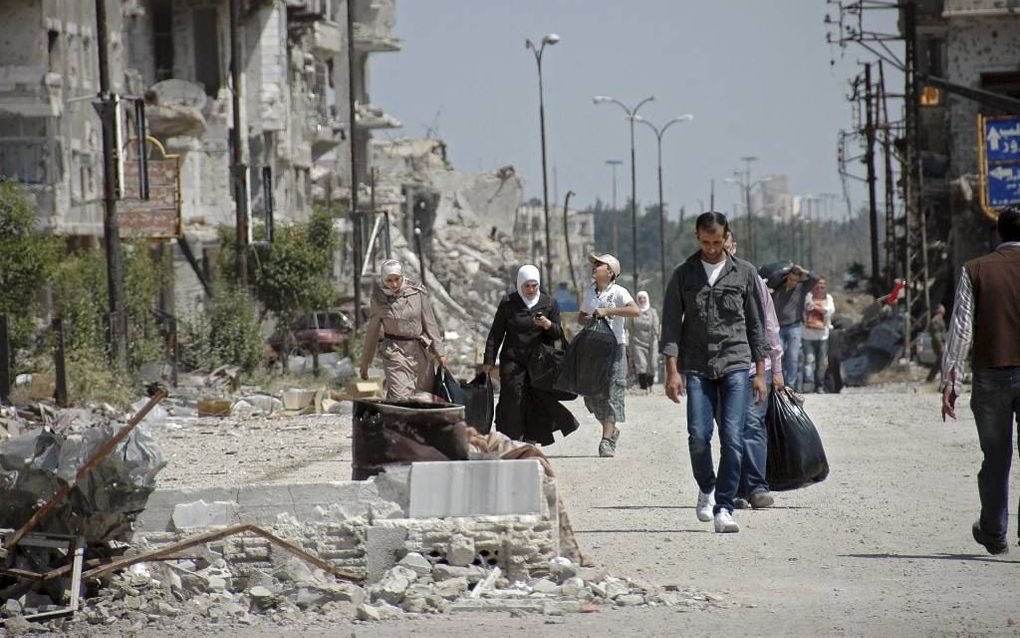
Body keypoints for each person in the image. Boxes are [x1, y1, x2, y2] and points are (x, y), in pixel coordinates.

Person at [661, 212, 769, 533]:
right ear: (697, 237)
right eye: (705, 242)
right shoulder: (683, 275)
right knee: (698, 436)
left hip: (735, 363)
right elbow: (670, 327)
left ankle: (724, 507)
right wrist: (671, 371)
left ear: (726, 238)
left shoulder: (745, 273)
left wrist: (760, 373)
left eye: (716, 242)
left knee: (733, 439)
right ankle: (706, 486)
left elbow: (756, 327)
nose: (710, 248)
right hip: (696, 366)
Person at [940, 206, 1020, 556]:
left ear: (998, 234)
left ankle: (994, 531)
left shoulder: (975, 270)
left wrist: (950, 380)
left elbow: (961, 330)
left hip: (991, 375)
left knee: (996, 458)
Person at [482, 265, 579, 445]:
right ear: (520, 284)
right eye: (527, 286)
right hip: (513, 359)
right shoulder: (508, 303)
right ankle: (511, 438)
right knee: (513, 396)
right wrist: (488, 360)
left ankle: (531, 438)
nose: (531, 290)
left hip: (539, 362)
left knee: (535, 398)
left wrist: (547, 325)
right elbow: (496, 334)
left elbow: (558, 334)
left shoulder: (549, 303)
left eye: (534, 285)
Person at [723, 232, 784, 511]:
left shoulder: (753, 280)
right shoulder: (702, 283)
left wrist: (777, 369)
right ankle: (736, 487)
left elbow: (770, 326)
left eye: (724, 244)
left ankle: (757, 487)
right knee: (730, 429)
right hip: (721, 368)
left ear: (732, 246)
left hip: (756, 366)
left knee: (752, 423)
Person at [577, 253, 640, 458]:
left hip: (615, 348)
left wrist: (608, 311)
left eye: (599, 264)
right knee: (591, 396)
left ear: (610, 271)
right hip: (594, 348)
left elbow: (634, 311)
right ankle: (612, 429)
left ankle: (606, 441)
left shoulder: (619, 291)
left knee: (613, 391)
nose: (594, 267)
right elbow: (581, 316)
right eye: (593, 265)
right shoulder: (589, 292)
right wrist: (590, 318)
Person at [360, 259, 446, 399]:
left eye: (397, 279)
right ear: (383, 279)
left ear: (402, 276)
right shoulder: (378, 299)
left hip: (420, 351)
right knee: (399, 396)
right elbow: (372, 333)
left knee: (424, 396)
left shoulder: (417, 293)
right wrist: (365, 363)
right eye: (389, 280)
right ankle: (394, 418)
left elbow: (430, 323)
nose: (394, 284)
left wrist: (440, 352)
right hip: (395, 352)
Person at [772, 264, 819, 392]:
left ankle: (790, 386)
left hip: (794, 327)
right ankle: (777, 385)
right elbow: (772, 276)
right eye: (790, 279)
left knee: (792, 357)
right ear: (787, 277)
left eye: (795, 280)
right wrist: (786, 270)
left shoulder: (802, 288)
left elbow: (815, 278)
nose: (792, 282)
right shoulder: (778, 286)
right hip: (778, 327)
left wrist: (803, 270)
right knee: (777, 357)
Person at [802, 278, 835, 393]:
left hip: (822, 336)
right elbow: (807, 307)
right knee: (809, 361)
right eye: (817, 286)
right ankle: (809, 385)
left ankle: (819, 385)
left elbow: (830, 311)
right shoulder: (807, 296)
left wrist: (816, 307)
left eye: (822, 286)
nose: (819, 288)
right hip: (807, 335)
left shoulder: (828, 298)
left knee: (822, 363)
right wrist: (819, 308)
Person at [627, 291, 660, 392]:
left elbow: (656, 326)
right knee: (641, 364)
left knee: (653, 364)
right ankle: (643, 387)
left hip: (651, 341)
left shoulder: (653, 312)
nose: (642, 300)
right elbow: (630, 327)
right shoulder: (634, 312)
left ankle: (650, 385)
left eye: (644, 298)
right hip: (637, 341)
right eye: (640, 298)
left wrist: (657, 337)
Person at [926, 304, 946, 383]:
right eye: (942, 309)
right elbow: (936, 334)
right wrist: (940, 345)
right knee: (941, 360)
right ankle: (934, 377)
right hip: (937, 343)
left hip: (940, 342)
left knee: (940, 361)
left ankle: (931, 377)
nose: (944, 310)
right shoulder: (936, 320)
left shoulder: (940, 319)